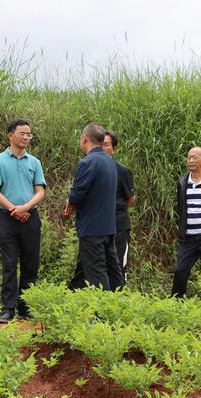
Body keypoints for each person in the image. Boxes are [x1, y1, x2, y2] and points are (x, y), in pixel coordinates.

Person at [0, 119, 46, 324]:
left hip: (30, 216)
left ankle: (25, 307)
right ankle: (8, 309)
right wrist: (14, 209)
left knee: (31, 263)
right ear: (10, 135)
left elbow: (40, 191)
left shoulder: (34, 162)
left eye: (29, 134)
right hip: (7, 217)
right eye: (23, 133)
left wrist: (25, 207)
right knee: (10, 263)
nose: (26, 137)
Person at [66, 123, 124, 291]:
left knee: (97, 272)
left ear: (84, 138)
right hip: (108, 227)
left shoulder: (88, 162)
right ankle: (120, 306)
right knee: (113, 270)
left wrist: (70, 201)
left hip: (92, 228)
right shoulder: (110, 162)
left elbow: (78, 193)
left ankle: (101, 314)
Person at [172, 146, 201, 297]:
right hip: (188, 237)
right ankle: (177, 303)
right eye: (189, 157)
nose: (191, 160)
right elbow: (180, 209)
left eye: (195, 157)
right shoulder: (182, 182)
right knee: (180, 270)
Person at [103, 131, 135, 279]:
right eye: (100, 144)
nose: (102, 147)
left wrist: (115, 210)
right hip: (98, 228)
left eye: (106, 144)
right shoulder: (90, 167)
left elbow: (130, 199)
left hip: (119, 226)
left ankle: (118, 298)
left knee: (118, 266)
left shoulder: (122, 171)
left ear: (114, 149)